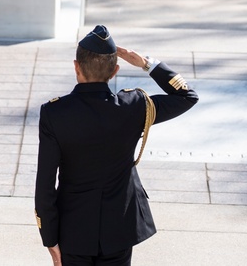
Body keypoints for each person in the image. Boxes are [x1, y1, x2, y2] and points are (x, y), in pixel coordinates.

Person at [35, 24, 199, 266]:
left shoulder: (54, 112)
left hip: (73, 229)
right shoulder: (134, 106)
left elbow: (45, 183)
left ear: (76, 67)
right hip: (119, 227)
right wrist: (146, 63)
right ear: (115, 71)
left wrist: (50, 238)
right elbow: (187, 96)